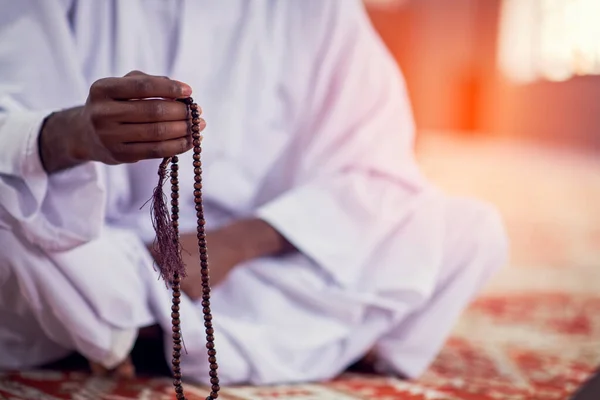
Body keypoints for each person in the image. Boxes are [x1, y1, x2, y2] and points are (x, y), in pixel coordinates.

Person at [0, 0, 508, 386]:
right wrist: (69, 135)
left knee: (468, 232)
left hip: (247, 268)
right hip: (96, 248)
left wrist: (238, 243)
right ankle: (305, 343)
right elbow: (12, 130)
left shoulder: (320, 12)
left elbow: (376, 167)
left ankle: (140, 336)